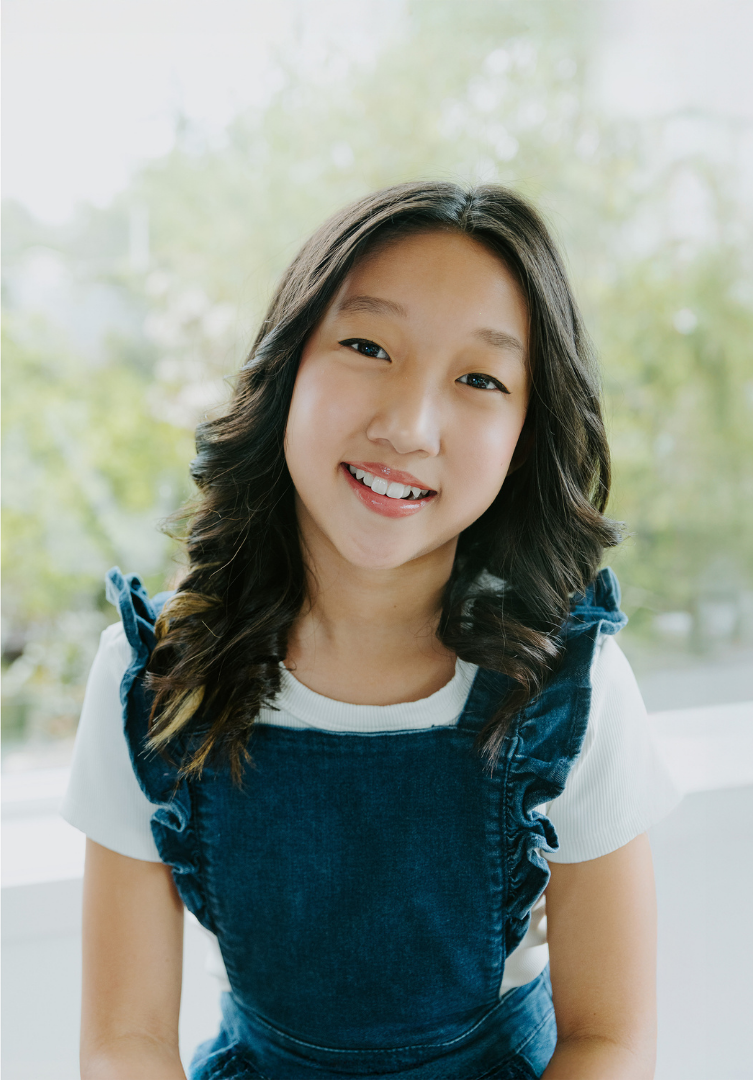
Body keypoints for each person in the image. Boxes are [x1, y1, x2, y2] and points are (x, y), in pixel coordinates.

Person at [62, 181, 680, 1079]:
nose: (409, 425)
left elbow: (610, 1041)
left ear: (524, 432)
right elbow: (125, 1041)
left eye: (479, 378)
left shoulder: (565, 687)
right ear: (286, 370)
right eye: (366, 345)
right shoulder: (155, 672)